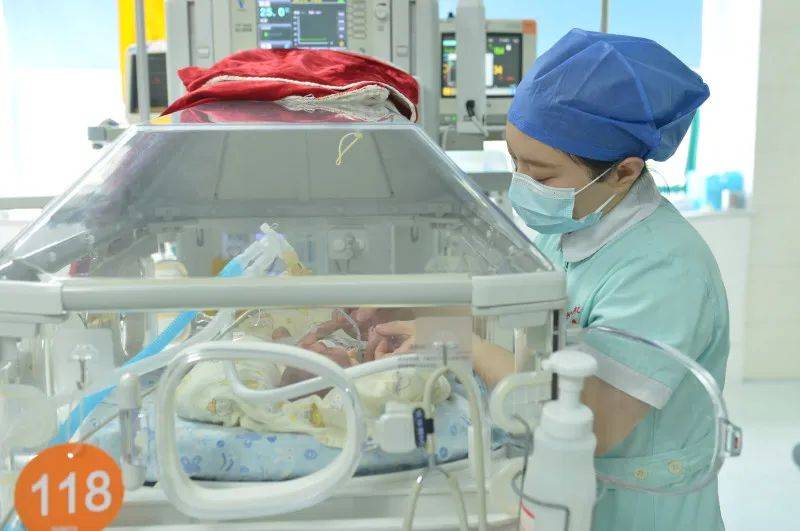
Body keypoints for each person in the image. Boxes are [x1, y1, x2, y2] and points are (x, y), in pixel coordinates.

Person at [302, 29, 729, 531]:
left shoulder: (664, 268)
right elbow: (516, 324)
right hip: (556, 485)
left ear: (624, 172)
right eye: (514, 161)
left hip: (636, 508)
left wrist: (454, 341)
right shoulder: (572, 225)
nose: (521, 182)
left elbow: (598, 419)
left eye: (541, 175)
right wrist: (415, 313)